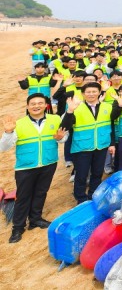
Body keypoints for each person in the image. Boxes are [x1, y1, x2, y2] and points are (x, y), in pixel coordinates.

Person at [0, 95, 67, 243]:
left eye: (40, 103)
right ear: (27, 106)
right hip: (26, 166)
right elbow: (4, 147)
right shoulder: (19, 124)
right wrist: (8, 132)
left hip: (48, 163)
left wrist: (60, 138)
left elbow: (63, 138)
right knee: (23, 197)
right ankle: (18, 227)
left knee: (41, 192)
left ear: (45, 105)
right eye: (33, 104)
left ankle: (35, 219)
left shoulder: (55, 119)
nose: (36, 106)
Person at [59, 82, 115, 203]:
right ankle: (81, 198)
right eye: (88, 92)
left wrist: (112, 143)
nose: (91, 94)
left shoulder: (107, 107)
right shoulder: (76, 107)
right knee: (81, 175)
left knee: (97, 173)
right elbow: (65, 126)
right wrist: (69, 111)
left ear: (99, 92)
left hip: (101, 146)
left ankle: (93, 195)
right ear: (83, 94)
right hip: (82, 147)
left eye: (94, 91)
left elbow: (111, 126)